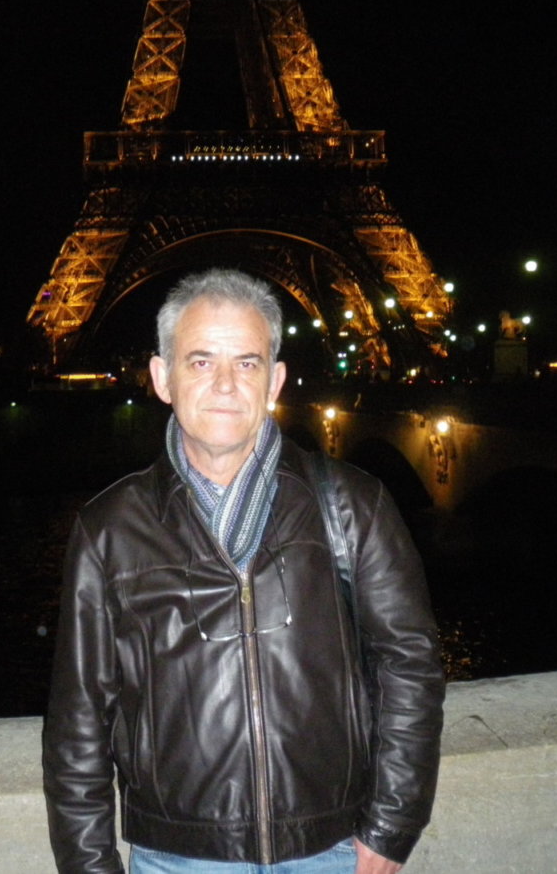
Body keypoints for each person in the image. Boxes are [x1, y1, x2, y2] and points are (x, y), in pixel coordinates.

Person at [43, 269, 444, 873]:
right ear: (162, 378)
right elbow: (78, 722)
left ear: (275, 380)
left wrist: (390, 829)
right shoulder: (109, 528)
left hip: (331, 850)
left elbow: (409, 665)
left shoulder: (352, 504)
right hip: (177, 858)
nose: (226, 384)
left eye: (247, 363)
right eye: (201, 361)